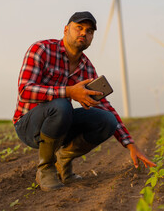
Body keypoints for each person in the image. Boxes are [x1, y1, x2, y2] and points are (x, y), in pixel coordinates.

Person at [13, 11, 156, 191]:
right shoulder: (41, 50)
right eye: (78, 28)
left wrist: (130, 144)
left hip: (59, 123)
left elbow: (104, 106)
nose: (84, 33)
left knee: (106, 120)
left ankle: (63, 161)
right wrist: (69, 92)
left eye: (89, 31)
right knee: (62, 103)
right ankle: (45, 168)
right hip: (28, 124)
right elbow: (25, 90)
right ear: (66, 30)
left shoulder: (87, 68)